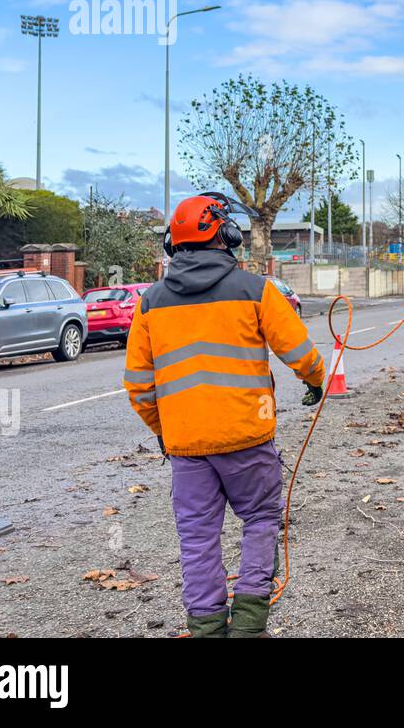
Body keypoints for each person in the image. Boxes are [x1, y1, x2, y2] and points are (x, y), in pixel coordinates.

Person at [123, 192, 326, 638]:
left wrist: (164, 429)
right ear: (227, 235)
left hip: (186, 446)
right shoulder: (256, 290)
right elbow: (301, 353)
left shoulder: (150, 303)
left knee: (197, 539)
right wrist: (315, 381)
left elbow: (138, 384)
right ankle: (250, 625)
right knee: (260, 521)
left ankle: (208, 628)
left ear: (172, 245)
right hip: (248, 439)